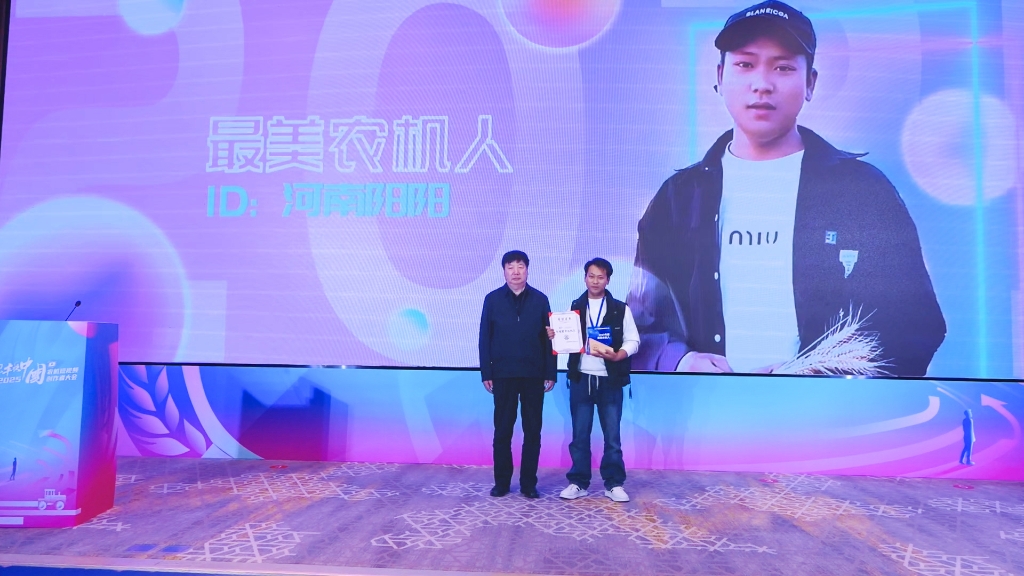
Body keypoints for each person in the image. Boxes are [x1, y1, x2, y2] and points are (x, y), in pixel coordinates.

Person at [627, 0, 945, 376]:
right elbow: (639, 322)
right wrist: (680, 361)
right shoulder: (679, 198)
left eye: (783, 67)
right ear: (720, 76)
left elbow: (914, 324)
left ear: (810, 83)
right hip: (703, 408)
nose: (762, 84)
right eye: (745, 65)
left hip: (829, 411)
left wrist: (820, 371)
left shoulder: (861, 192)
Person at [553, 258, 639, 503]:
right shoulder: (574, 307)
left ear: (608, 280)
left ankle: (613, 484)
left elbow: (633, 340)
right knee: (580, 435)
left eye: (600, 277)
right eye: (591, 276)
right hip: (581, 378)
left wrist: (619, 355)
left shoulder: (620, 309)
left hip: (610, 381)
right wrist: (554, 334)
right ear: (585, 278)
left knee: (612, 437)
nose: (595, 281)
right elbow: (565, 337)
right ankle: (578, 483)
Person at [479, 250, 556, 498]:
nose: (515, 271)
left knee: (532, 431)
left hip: (534, 374)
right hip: (503, 374)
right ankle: (502, 482)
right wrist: (486, 371)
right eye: (510, 267)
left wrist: (551, 372)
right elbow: (484, 338)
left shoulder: (541, 299)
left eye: (520, 266)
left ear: (527, 270)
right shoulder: (492, 300)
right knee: (503, 430)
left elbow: (550, 338)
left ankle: (528, 484)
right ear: (503, 271)